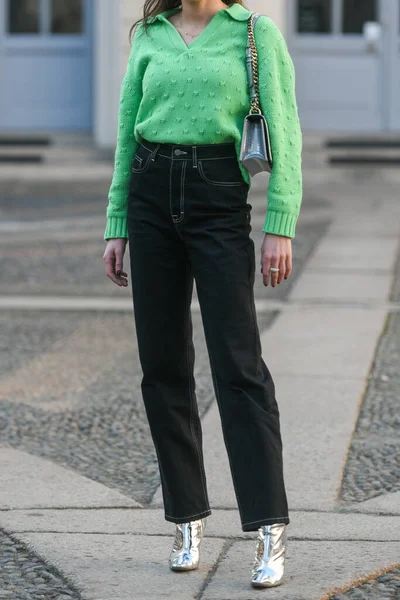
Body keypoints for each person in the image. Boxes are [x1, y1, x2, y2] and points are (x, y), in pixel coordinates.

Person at [103, 0, 302, 589]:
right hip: (149, 193)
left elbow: (284, 128)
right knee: (162, 367)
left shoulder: (255, 34)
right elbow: (124, 130)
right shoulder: (151, 35)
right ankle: (187, 517)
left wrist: (280, 224)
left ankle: (268, 527)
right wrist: (117, 224)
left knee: (238, 366)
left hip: (219, 197)